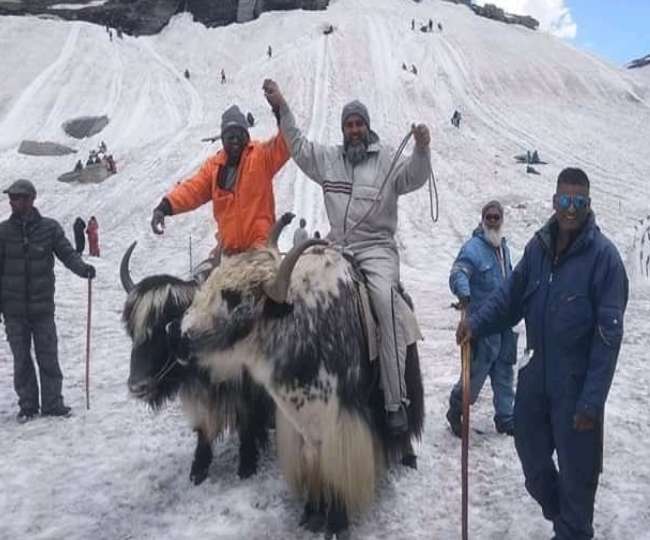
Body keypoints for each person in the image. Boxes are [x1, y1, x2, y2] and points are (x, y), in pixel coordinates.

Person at [456, 168, 628, 540]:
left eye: (578, 202)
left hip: (577, 389)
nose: (570, 209)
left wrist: (591, 402)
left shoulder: (605, 260)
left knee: (579, 478)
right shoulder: (538, 248)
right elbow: (509, 297)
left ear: (588, 205)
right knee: (533, 466)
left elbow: (608, 341)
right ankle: (565, 519)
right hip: (535, 381)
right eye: (564, 200)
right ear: (554, 201)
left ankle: (572, 529)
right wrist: (476, 323)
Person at [263, 78, 432, 435]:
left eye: (359, 124)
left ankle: (394, 401)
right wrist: (281, 108)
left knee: (385, 306)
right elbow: (297, 146)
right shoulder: (328, 160)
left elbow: (415, 178)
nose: (354, 130)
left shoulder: (388, 159)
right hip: (338, 247)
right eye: (349, 125)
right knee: (300, 299)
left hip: (376, 250)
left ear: (368, 127)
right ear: (343, 130)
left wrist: (421, 149)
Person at [0, 179, 95, 423]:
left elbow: (67, 254)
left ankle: (53, 403)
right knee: (21, 360)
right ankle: (28, 405)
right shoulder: (3, 232)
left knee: (48, 356)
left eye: (18, 197)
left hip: (42, 309)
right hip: (13, 311)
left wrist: (83, 269)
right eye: (11, 197)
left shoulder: (50, 229)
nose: (13, 201)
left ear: (31, 198)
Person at [150, 104, 290, 254]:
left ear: (247, 137)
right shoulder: (214, 167)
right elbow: (192, 190)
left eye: (239, 134)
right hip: (229, 254)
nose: (235, 140)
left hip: (261, 251)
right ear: (223, 139)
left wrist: (279, 110)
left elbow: (286, 143)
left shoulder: (262, 156)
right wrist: (164, 208)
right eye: (230, 136)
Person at [446, 201, 516, 437]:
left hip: (504, 324)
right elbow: (458, 272)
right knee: (474, 374)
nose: (493, 221)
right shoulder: (473, 249)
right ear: (483, 219)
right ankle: (456, 409)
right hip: (482, 324)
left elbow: (513, 280)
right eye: (489, 217)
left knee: (505, 374)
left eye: (497, 217)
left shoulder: (503, 249)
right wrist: (464, 293)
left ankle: (506, 418)